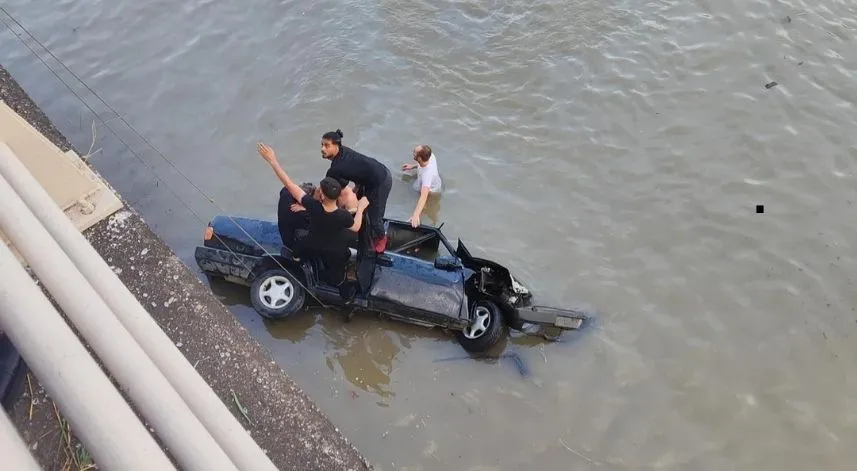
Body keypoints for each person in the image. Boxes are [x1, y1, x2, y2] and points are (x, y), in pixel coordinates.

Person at [259, 142, 369, 303]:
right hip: (334, 251)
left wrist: (273, 161)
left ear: (322, 196)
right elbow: (356, 226)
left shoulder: (313, 207)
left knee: (301, 240)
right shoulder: (343, 216)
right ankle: (347, 299)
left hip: (314, 242)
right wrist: (360, 209)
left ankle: (296, 258)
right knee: (338, 277)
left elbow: (289, 184)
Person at [320, 129, 392, 253]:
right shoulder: (343, 152)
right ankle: (363, 227)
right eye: (322, 145)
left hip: (380, 181)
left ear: (337, 146)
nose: (322, 149)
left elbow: (328, 193)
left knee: (375, 218)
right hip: (374, 174)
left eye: (327, 145)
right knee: (363, 208)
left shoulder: (336, 168)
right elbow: (355, 171)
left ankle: (382, 238)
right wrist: (357, 187)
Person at [401, 144, 442, 228]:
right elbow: (421, 164)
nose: (413, 152)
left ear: (419, 158)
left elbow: (423, 196)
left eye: (414, 153)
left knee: (424, 204)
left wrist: (415, 215)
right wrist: (412, 166)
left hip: (431, 191)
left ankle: (418, 218)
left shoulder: (427, 175)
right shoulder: (430, 156)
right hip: (428, 181)